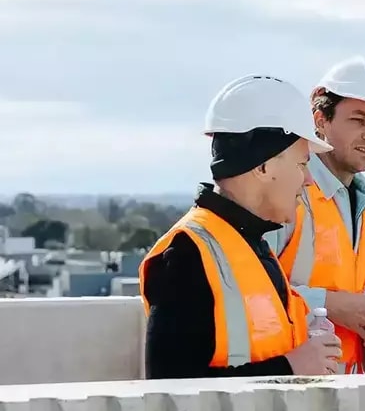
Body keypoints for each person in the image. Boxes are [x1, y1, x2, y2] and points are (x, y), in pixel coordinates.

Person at [140, 75, 343, 379]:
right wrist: (291, 367)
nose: (309, 180)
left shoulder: (251, 244)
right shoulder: (188, 255)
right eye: (302, 165)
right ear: (263, 166)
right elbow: (169, 389)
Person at [268, 56, 365, 373]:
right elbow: (245, 289)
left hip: (339, 391)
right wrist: (328, 305)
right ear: (320, 119)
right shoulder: (285, 191)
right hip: (283, 385)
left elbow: (342, 283)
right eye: (359, 120)